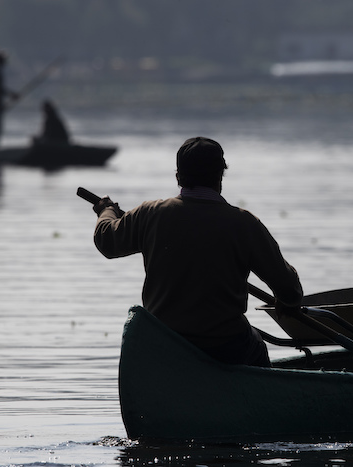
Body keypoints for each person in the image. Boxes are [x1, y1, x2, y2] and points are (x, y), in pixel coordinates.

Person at [91, 136, 303, 367]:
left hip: (165, 342)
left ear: (178, 176)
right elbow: (289, 288)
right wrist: (287, 301)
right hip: (226, 347)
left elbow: (107, 240)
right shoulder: (244, 224)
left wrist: (107, 210)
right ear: (220, 176)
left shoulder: (149, 214)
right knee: (257, 347)